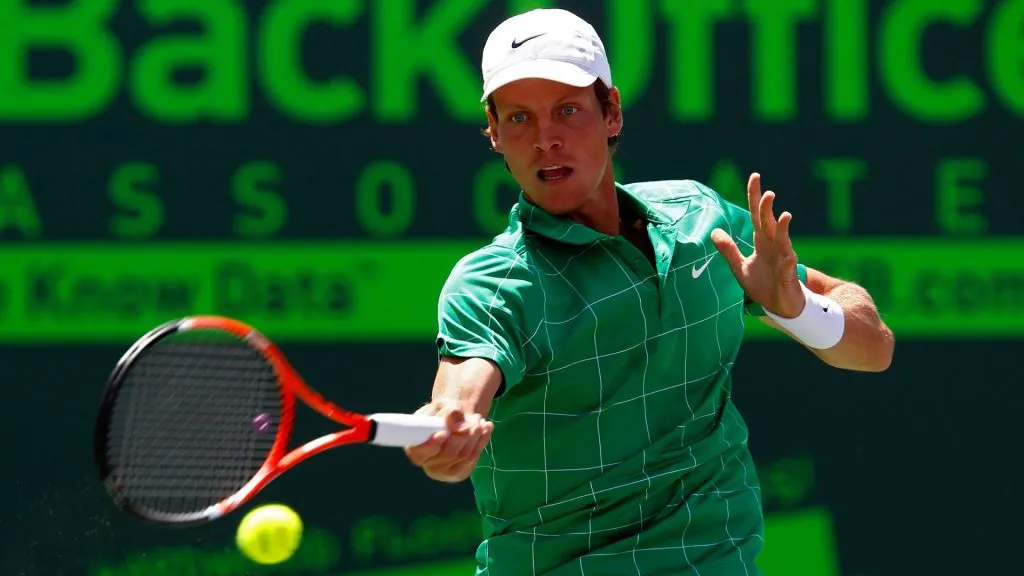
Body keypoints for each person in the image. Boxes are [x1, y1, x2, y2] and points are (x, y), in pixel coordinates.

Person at [404, 8, 894, 575]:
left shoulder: (700, 220)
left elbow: (873, 348)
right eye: (519, 119)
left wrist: (799, 309)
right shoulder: (493, 285)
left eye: (568, 111)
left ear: (611, 112)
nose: (546, 140)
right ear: (493, 133)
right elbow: (460, 398)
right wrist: (451, 430)